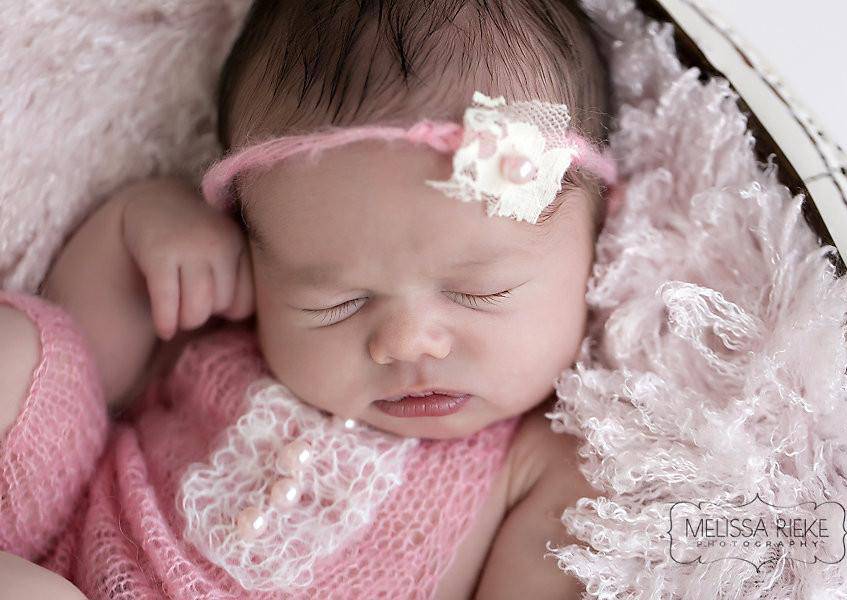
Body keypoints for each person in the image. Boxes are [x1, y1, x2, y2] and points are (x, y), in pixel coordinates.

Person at [0, 1, 614, 597]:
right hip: (63, 551)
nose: (405, 343)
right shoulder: (229, 326)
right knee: (19, 349)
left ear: (597, 243)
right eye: (337, 303)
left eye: (480, 291)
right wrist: (137, 229)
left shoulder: (542, 466)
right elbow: (85, 373)